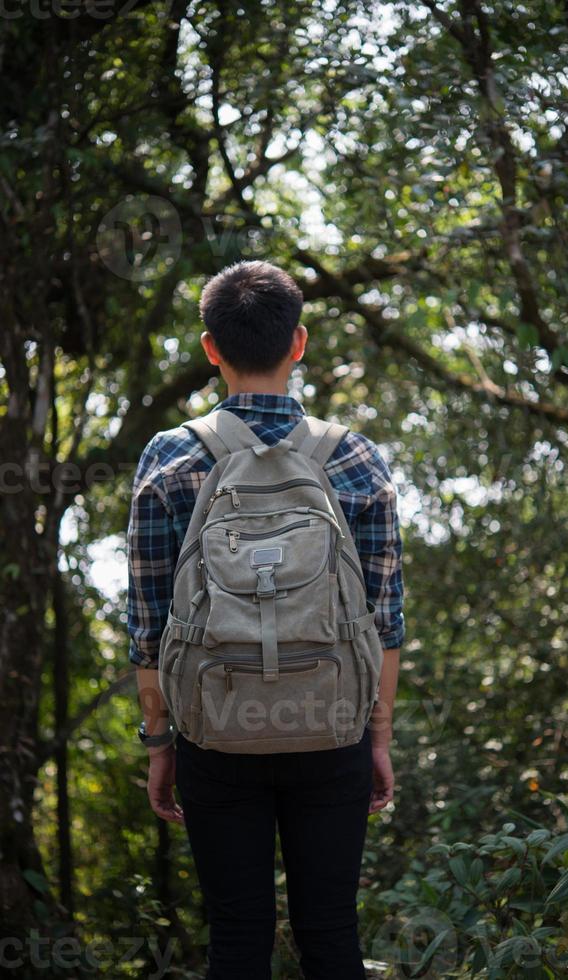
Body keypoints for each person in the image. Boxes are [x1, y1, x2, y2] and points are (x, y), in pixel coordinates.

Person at [127, 260, 405, 980]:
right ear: (300, 342)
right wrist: (377, 737)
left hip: (217, 735)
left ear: (210, 347)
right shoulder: (354, 458)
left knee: (238, 940)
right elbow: (386, 621)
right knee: (332, 936)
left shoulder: (171, 456)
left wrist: (161, 745)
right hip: (332, 726)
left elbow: (148, 623)